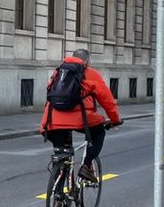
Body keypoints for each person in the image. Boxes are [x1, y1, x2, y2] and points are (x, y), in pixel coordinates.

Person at [39, 49, 121, 183]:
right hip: (80, 119)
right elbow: (107, 100)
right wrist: (115, 120)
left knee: (61, 155)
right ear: (87, 62)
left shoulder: (59, 72)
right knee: (99, 132)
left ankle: (57, 199)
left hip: (52, 121)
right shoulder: (90, 73)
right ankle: (86, 166)